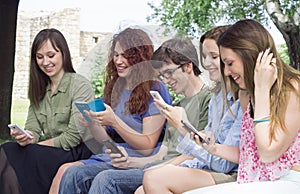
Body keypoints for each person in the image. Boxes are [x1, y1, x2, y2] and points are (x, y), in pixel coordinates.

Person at [59, 37, 212, 194]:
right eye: (163, 75)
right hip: (155, 165)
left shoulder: (208, 100)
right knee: (73, 173)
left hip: (174, 170)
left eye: (169, 73)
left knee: (107, 179)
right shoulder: (177, 106)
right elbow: (161, 154)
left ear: (187, 66)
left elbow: (198, 152)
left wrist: (158, 167)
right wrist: (131, 162)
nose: (166, 80)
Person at [50, 27, 173, 194]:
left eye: (125, 55)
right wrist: (92, 123)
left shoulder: (155, 89)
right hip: (112, 159)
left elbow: (148, 145)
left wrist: (114, 121)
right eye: (116, 55)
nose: (118, 61)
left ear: (139, 57)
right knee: (72, 172)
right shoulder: (115, 89)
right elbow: (106, 141)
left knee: (103, 178)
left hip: (139, 162)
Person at [185, 19, 300, 194]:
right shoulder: (246, 94)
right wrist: (214, 148)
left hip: (288, 180)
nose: (226, 72)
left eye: (229, 63)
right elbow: (250, 155)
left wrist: (261, 90)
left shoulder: (292, 90)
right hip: (255, 181)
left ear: (250, 56)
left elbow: (268, 152)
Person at [138, 25, 244, 194]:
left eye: (214, 56)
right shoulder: (217, 99)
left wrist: (182, 126)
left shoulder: (239, 100)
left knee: (152, 178)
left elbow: (222, 163)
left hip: (231, 173)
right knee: (143, 186)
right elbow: (204, 148)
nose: (207, 63)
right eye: (205, 57)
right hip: (208, 165)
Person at [0, 28, 94, 194]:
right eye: (39, 57)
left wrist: (36, 146)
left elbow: (73, 137)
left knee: (21, 156)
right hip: (48, 151)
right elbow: (33, 129)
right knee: (8, 149)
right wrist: (27, 137)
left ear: (63, 54)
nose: (45, 62)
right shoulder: (39, 88)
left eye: (51, 55)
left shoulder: (80, 85)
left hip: (74, 151)